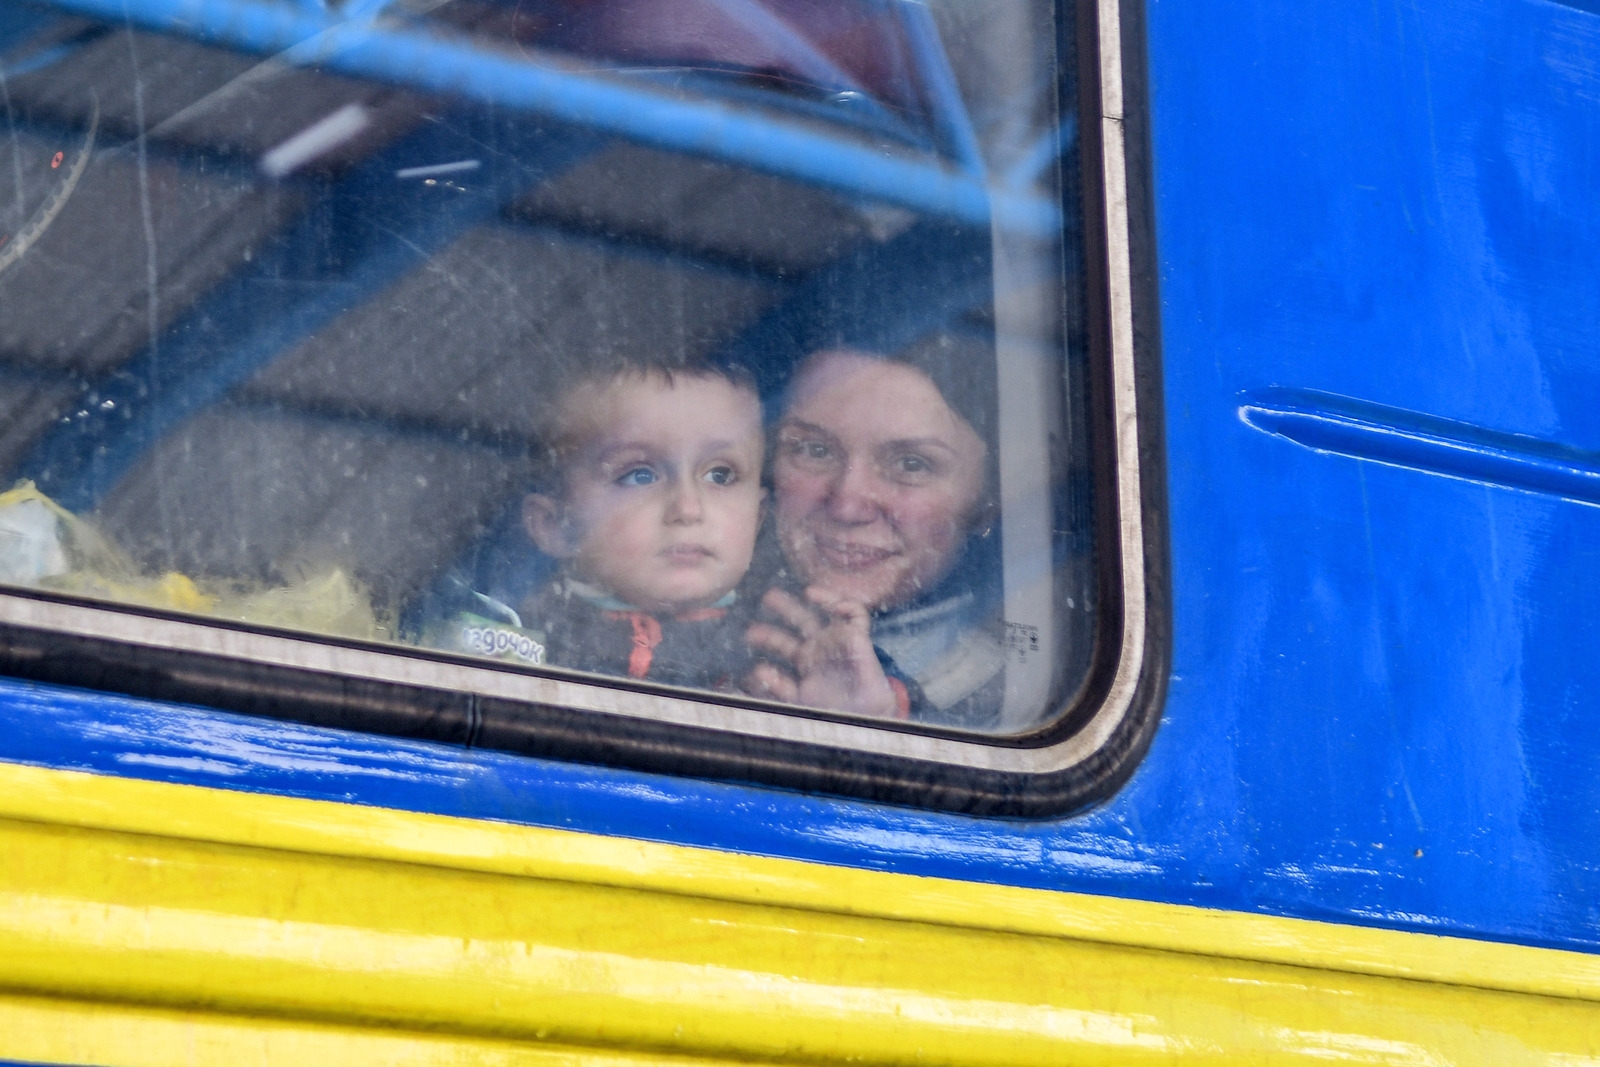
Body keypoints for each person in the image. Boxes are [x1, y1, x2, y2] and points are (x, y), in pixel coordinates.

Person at [425, 355, 766, 691]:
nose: (688, 508)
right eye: (639, 475)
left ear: (760, 516)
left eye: (721, 475)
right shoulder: (520, 636)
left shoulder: (778, 648)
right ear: (556, 524)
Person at [745, 346, 1006, 730]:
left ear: (985, 501)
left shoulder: (1024, 707)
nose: (848, 506)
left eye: (911, 464)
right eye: (814, 450)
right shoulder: (684, 622)